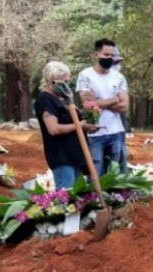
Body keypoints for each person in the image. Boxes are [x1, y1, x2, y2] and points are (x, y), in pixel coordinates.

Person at [34, 61, 96, 189]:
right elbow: (53, 129)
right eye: (63, 82)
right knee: (66, 198)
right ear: (49, 81)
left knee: (78, 198)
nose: (66, 86)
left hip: (75, 155)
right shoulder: (45, 99)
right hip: (62, 156)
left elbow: (78, 120)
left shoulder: (63, 99)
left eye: (68, 81)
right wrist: (80, 126)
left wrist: (90, 111)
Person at [77, 38, 129, 174]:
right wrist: (115, 99)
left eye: (112, 56)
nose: (110, 58)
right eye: (107, 55)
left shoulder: (119, 77)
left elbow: (124, 107)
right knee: (95, 171)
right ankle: (95, 196)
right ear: (97, 55)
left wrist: (98, 101)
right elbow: (88, 106)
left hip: (115, 131)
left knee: (114, 173)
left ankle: (114, 196)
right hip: (94, 130)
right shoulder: (85, 75)